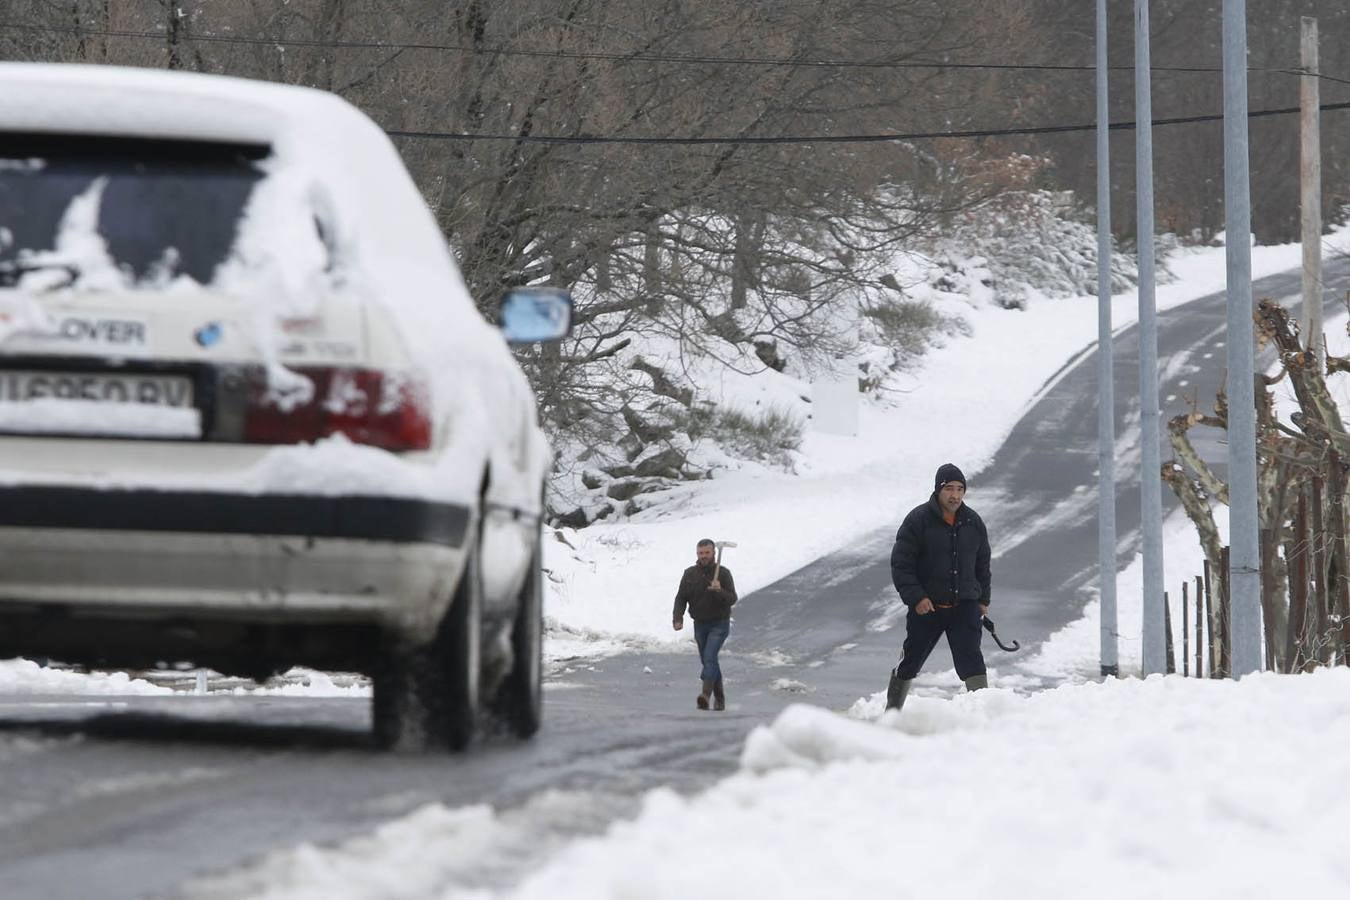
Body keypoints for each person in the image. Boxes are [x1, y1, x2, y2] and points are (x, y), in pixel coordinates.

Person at [885, 463, 992, 711]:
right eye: (949, 489)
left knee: (972, 662)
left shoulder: (973, 522)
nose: (955, 495)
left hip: (964, 607)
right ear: (938, 490)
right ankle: (892, 713)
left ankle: (985, 717)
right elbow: (901, 564)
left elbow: (982, 565)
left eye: (960, 489)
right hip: (928, 608)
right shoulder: (917, 520)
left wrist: (983, 600)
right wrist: (916, 597)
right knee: (910, 662)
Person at [673, 538, 738, 710]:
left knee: (709, 657)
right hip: (700, 624)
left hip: (719, 623)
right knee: (709, 661)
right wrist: (677, 618)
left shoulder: (723, 573)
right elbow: (681, 598)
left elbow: (732, 598)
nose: (704, 556)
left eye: (707, 553)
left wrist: (719, 591)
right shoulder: (690, 574)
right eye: (701, 553)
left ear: (714, 553)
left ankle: (705, 695)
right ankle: (720, 699)